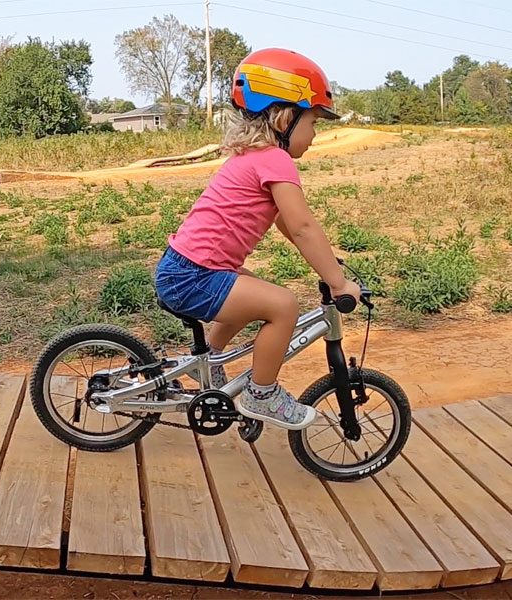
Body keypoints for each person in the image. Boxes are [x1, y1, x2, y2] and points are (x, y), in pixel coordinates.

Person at [153, 48, 360, 430]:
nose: (314, 135)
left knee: (250, 287)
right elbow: (303, 227)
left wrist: (327, 262)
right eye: (313, 122)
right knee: (283, 306)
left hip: (186, 268)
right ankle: (262, 394)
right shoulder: (275, 160)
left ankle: (210, 365)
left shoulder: (253, 156)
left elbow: (286, 224)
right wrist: (337, 281)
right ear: (285, 116)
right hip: (193, 275)